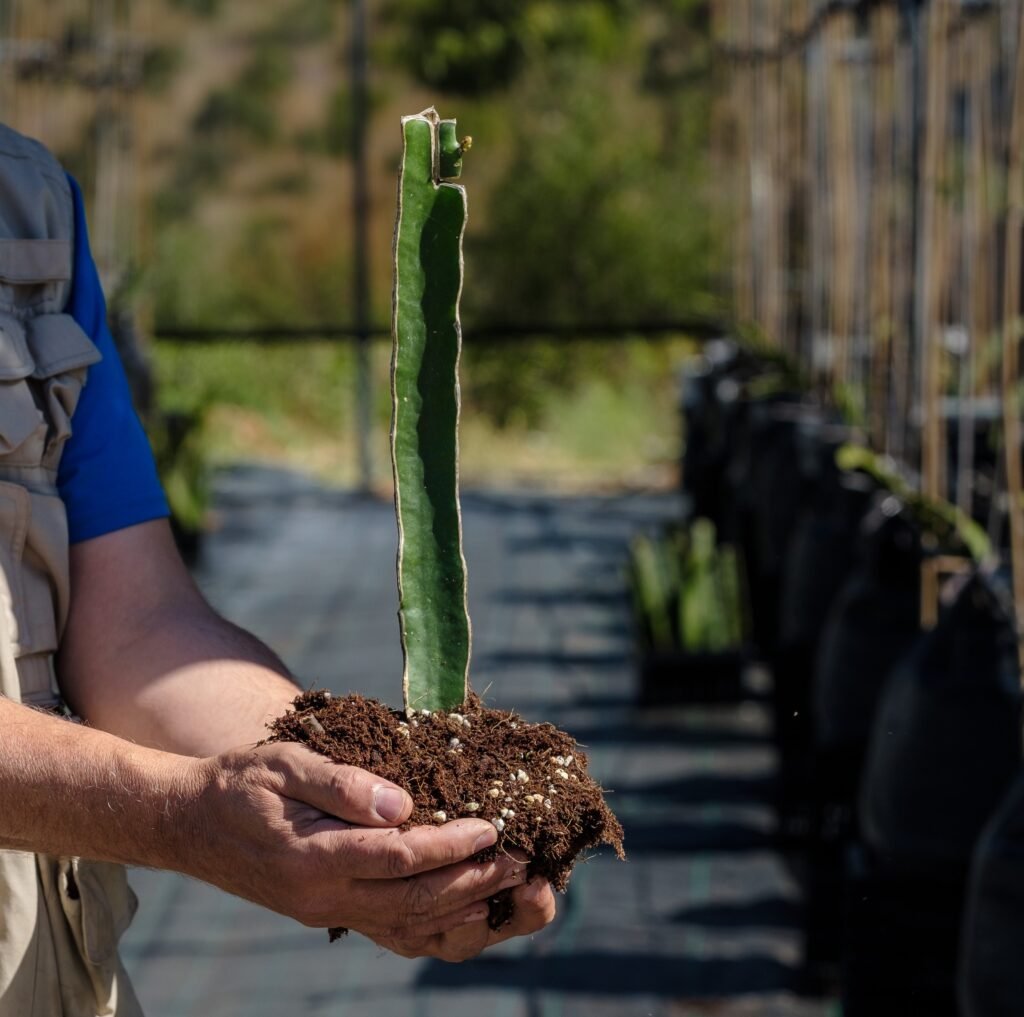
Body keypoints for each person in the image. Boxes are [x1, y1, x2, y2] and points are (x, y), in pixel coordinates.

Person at [0, 123, 555, 1017]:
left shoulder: (28, 210)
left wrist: (348, 778)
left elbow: (138, 625)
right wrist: (181, 812)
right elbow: (182, 804)